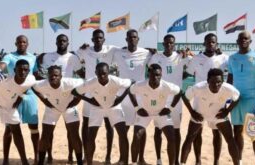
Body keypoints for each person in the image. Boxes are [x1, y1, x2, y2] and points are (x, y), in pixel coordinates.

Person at [72, 62, 132, 165]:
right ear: (95, 73)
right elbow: (74, 92)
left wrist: (120, 99)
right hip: (97, 107)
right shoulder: (91, 82)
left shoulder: (115, 80)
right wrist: (90, 100)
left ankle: (125, 162)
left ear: (109, 72)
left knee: (123, 135)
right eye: (99, 73)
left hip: (114, 107)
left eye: (104, 73)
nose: (102, 76)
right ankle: (89, 162)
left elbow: (131, 83)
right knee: (91, 137)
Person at [0, 35, 40, 164]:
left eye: (24, 42)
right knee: (9, 128)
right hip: (13, 94)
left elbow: (35, 74)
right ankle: (5, 159)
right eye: (19, 42)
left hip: (30, 94)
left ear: (27, 43)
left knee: (34, 126)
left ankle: (36, 158)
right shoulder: (10, 56)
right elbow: (3, 64)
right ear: (15, 43)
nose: (21, 44)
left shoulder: (32, 57)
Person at [37, 34, 82, 163]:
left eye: (64, 41)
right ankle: (48, 156)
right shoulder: (47, 56)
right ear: (56, 42)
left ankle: (71, 156)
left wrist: (77, 98)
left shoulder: (73, 57)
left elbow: (82, 76)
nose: (62, 42)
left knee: (73, 133)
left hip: (68, 99)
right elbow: (38, 70)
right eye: (59, 40)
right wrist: (45, 97)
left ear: (68, 43)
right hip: (52, 100)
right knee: (47, 133)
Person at [180, 68, 240, 165]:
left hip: (218, 116)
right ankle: (183, 163)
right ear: (207, 81)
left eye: (219, 82)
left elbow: (237, 97)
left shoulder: (228, 88)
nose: (216, 85)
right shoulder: (199, 87)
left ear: (222, 82)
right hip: (200, 115)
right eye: (212, 82)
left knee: (230, 139)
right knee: (189, 138)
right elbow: (185, 97)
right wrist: (192, 112)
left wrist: (227, 111)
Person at [76, 29, 118, 164]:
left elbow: (127, 50)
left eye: (101, 38)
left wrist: (151, 51)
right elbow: (73, 56)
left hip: (106, 93)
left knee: (108, 125)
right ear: (92, 39)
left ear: (104, 40)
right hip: (90, 94)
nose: (98, 40)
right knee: (86, 125)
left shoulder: (111, 49)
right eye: (96, 38)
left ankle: (108, 156)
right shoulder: (85, 51)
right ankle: (85, 154)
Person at [148, 34, 191, 165]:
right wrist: (150, 50)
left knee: (176, 130)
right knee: (158, 129)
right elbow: (149, 68)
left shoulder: (180, 57)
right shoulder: (156, 57)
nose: (168, 45)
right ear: (163, 44)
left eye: (171, 43)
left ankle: (176, 160)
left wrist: (187, 53)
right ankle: (159, 159)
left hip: (176, 99)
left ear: (174, 44)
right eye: (166, 43)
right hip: (159, 97)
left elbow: (191, 65)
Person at [227, 31, 255, 165]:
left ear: (250, 41)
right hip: (236, 100)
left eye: (246, 39)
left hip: (252, 100)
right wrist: (226, 97)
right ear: (237, 42)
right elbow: (230, 79)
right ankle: (238, 162)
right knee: (237, 131)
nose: (243, 41)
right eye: (241, 39)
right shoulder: (232, 58)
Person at [186, 33, 228, 165]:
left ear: (217, 44)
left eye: (213, 42)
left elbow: (232, 75)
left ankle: (216, 161)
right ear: (204, 43)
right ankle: (198, 160)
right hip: (200, 100)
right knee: (197, 132)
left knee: (217, 132)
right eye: (208, 42)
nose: (211, 44)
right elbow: (186, 74)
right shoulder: (196, 59)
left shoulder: (224, 58)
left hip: (218, 100)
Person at [112, 29, 151, 164]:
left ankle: (141, 159)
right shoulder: (118, 53)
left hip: (140, 96)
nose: (132, 39)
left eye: (135, 37)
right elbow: (101, 52)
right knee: (123, 130)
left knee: (141, 129)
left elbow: (161, 58)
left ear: (138, 39)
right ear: (126, 39)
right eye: (130, 37)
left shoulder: (146, 53)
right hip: (124, 97)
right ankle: (123, 159)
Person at [129, 63, 182, 165]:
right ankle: (134, 162)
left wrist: (170, 108)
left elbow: (179, 92)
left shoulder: (167, 86)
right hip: (145, 112)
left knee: (171, 137)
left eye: (158, 75)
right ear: (149, 74)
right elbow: (130, 91)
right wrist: (137, 108)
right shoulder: (140, 85)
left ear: (161, 75)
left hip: (161, 113)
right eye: (153, 75)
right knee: (136, 135)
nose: (156, 77)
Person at [32, 65, 84, 165]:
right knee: (45, 136)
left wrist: (76, 101)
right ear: (47, 76)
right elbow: (33, 87)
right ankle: (41, 162)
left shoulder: (70, 82)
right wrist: (44, 100)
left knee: (74, 135)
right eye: (51, 75)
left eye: (56, 75)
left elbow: (84, 84)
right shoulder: (43, 84)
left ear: (61, 76)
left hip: (69, 108)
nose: (53, 77)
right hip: (52, 109)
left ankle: (79, 162)